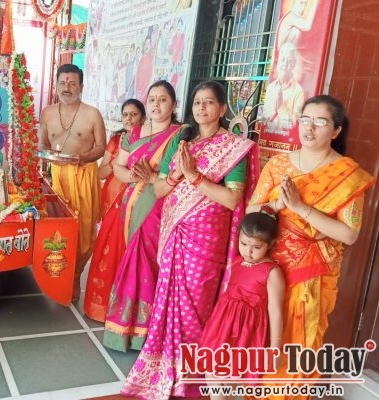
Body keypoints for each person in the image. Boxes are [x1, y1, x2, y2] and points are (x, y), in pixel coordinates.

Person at [120, 80, 260, 399]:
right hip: (175, 233)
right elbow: (160, 190)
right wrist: (176, 174)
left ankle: (192, 376)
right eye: (197, 102)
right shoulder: (182, 143)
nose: (201, 108)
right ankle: (164, 368)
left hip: (207, 239)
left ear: (222, 109)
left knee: (196, 304)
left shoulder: (232, 148)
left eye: (209, 102)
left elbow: (232, 200)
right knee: (169, 301)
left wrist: (195, 176)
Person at [247, 95, 374, 399]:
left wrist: (301, 208)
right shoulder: (278, 165)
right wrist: (278, 206)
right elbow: (252, 210)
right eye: (305, 119)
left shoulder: (347, 176)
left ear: (336, 130)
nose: (309, 127)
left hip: (311, 273)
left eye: (320, 121)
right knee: (262, 339)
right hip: (269, 269)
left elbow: (349, 234)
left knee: (297, 347)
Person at [102, 80, 184, 350]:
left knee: (147, 263)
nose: (156, 104)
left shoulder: (180, 135)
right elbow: (118, 166)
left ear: (173, 104)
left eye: (163, 99)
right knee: (131, 259)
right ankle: (126, 328)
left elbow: (178, 176)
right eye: (152, 99)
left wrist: (150, 179)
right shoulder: (134, 133)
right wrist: (135, 177)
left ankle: (144, 331)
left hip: (159, 205)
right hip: (131, 205)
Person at [200, 212, 285, 399]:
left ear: (270, 245)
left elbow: (276, 311)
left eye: (256, 247)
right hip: (222, 327)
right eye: (244, 244)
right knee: (212, 374)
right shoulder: (238, 261)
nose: (248, 251)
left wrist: (275, 348)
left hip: (246, 332)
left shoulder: (272, 272)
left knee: (229, 381)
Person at [40, 63, 106, 301]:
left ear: (81, 86)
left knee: (84, 229)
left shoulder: (92, 114)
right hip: (57, 176)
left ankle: (76, 274)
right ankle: (57, 271)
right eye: (62, 83)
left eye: (72, 83)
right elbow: (43, 144)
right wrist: (46, 158)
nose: (66, 87)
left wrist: (84, 157)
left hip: (83, 175)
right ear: (56, 85)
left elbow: (101, 147)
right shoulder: (47, 113)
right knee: (57, 226)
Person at [84, 98, 146, 322]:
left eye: (134, 114)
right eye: (125, 114)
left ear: (143, 118)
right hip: (115, 201)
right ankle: (101, 307)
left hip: (140, 200)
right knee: (108, 250)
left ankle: (125, 311)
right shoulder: (116, 140)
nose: (129, 119)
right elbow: (101, 173)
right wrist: (119, 160)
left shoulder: (149, 141)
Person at [262, 42, 305, 134]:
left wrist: (281, 107)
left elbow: (294, 125)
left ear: (294, 64)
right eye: (283, 59)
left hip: (286, 137)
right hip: (268, 135)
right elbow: (265, 119)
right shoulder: (271, 87)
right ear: (278, 61)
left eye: (289, 61)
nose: (285, 64)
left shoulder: (298, 91)